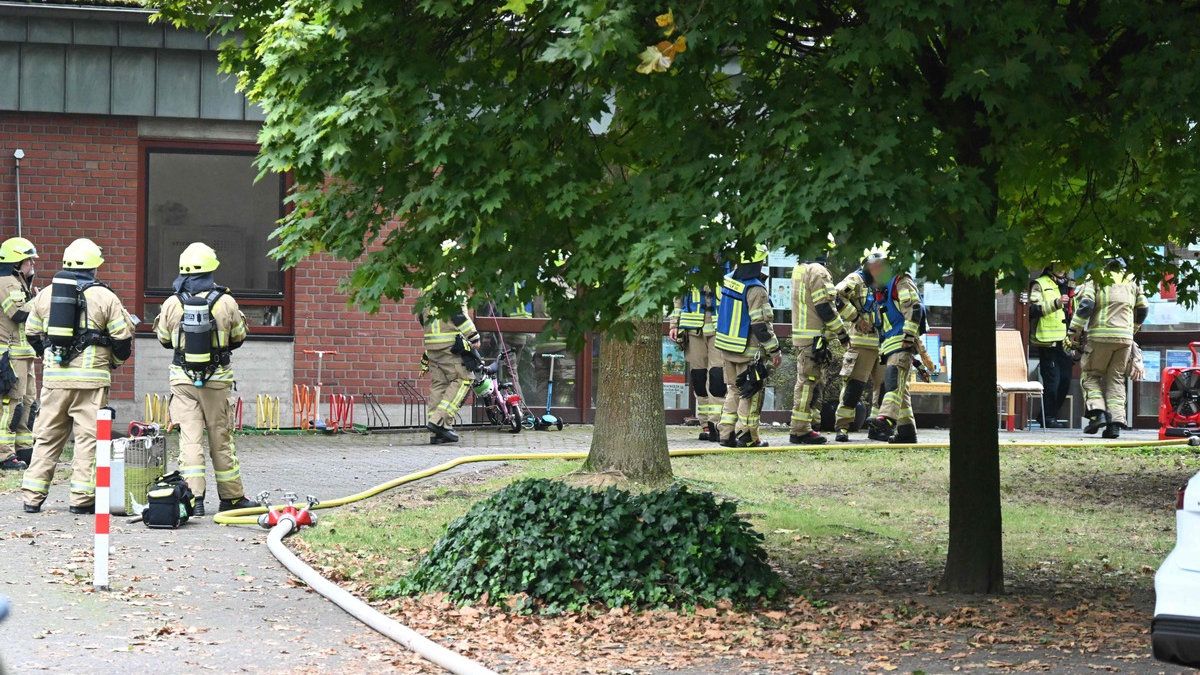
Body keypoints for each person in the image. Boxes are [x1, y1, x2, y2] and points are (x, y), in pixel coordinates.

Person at [21, 239, 134, 514]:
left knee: (47, 438)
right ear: (95, 266)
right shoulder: (105, 296)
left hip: (54, 382)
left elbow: (31, 332)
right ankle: (81, 500)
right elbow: (122, 338)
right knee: (88, 440)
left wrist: (48, 357)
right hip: (91, 382)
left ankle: (32, 497)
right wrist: (113, 363)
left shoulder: (46, 294)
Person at [152, 243, 256, 516]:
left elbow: (164, 339)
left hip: (183, 381)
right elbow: (238, 337)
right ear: (211, 269)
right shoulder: (226, 301)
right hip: (217, 380)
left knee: (190, 440)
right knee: (221, 439)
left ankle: (193, 500)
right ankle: (232, 499)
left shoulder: (172, 303)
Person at [1068, 258, 1147, 439]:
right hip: (1124, 339)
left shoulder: (1096, 277)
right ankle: (1115, 424)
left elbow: (1086, 305)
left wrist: (1074, 330)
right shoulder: (1132, 280)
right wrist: (1132, 330)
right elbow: (1143, 309)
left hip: (1100, 337)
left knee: (1090, 375)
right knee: (1116, 379)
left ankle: (1098, 414)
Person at [715, 244, 782, 448]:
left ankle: (726, 434)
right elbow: (760, 325)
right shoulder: (756, 289)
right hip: (748, 351)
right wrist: (774, 350)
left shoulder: (728, 281)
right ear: (758, 262)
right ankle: (747, 436)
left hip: (727, 347)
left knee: (734, 390)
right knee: (750, 392)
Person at [789, 239, 850, 445]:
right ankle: (800, 430)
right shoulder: (818, 271)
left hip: (805, 337)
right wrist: (842, 334)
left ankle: (809, 425)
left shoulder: (799, 268)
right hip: (814, 338)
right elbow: (825, 308)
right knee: (808, 384)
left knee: (811, 383)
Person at [831, 245, 889, 442]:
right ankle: (842, 427)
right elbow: (836, 296)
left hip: (883, 344)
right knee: (853, 387)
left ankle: (876, 427)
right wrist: (856, 318)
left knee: (883, 389)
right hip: (861, 344)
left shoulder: (886, 283)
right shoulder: (856, 279)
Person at [866, 269, 925, 444]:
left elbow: (914, 308)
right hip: (890, 347)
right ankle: (906, 432)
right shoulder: (882, 291)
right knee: (901, 392)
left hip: (901, 343)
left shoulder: (900, 281)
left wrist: (909, 337)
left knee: (893, 382)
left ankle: (887, 419)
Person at [0, 238, 38, 470]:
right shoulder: (6, 282)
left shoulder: (18, 282)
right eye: (28, 260)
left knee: (28, 403)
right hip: (11, 355)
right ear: (16, 262)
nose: (32, 264)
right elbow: (18, 314)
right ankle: (4, 455)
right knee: (11, 405)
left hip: (24, 355)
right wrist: (40, 301)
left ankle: (23, 449)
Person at [422, 296, 481, 444]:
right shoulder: (452, 287)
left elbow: (421, 317)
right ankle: (439, 421)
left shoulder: (426, 288)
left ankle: (437, 432)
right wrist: (473, 336)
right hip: (449, 344)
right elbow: (458, 314)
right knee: (464, 379)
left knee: (439, 384)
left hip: (431, 344)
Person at [669, 284, 724, 442]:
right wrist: (674, 324)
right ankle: (705, 424)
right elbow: (678, 297)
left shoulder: (727, 268)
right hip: (694, 330)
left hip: (719, 328)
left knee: (717, 378)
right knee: (699, 378)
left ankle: (716, 424)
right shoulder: (688, 270)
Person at [1028, 263, 1074, 428]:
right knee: (1052, 382)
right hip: (1047, 340)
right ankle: (1048, 417)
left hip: (1065, 340)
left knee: (1065, 380)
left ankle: (1046, 415)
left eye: (1064, 265)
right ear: (1050, 266)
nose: (1062, 268)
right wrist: (1056, 303)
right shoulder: (1040, 284)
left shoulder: (1070, 285)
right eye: (1058, 265)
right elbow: (1033, 309)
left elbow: (1073, 312)